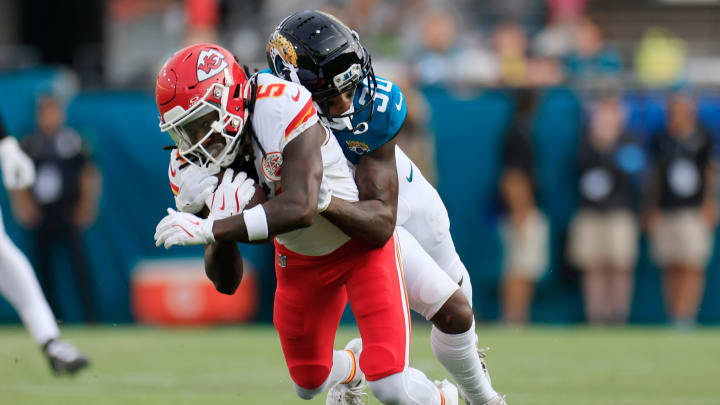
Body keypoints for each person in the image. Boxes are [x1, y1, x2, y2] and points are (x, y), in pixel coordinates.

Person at [152, 43, 459, 405]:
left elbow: (301, 206)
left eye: (200, 124)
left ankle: (446, 399)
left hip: (357, 243)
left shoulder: (279, 104)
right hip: (299, 258)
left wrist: (212, 228)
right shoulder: (192, 168)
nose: (194, 144)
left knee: (391, 386)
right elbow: (227, 282)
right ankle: (352, 366)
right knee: (308, 384)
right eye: (182, 131)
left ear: (229, 99)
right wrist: (219, 230)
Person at [266, 11, 506, 405]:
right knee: (308, 378)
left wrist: (319, 198)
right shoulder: (269, 117)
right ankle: (359, 368)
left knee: (458, 311)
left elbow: (380, 217)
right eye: (329, 94)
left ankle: (484, 397)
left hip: (397, 205)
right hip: (346, 231)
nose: (345, 102)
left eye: (350, 85)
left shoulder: (374, 108)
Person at [0, 111, 89, 374]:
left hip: (61, 213)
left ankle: (50, 341)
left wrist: (5, 144)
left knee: (3, 254)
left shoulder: (71, 140)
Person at [13, 95, 101, 323]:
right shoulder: (29, 142)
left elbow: (88, 173)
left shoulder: (73, 141)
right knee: (43, 269)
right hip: (42, 212)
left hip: (67, 210)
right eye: (45, 112)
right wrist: (23, 206)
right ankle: (49, 319)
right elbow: (17, 178)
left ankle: (91, 317)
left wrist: (86, 206)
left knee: (79, 268)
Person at [568, 95, 642, 325]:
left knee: (620, 265)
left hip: (619, 212)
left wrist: (611, 144)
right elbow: (578, 167)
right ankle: (596, 315)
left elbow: (631, 170)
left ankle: (619, 313)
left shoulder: (628, 140)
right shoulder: (585, 141)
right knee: (594, 265)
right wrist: (598, 141)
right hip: (591, 212)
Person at [646, 93, 716, 327]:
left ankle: (686, 315)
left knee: (692, 264)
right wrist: (652, 208)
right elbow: (653, 176)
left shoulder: (704, 136)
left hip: (693, 211)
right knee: (671, 264)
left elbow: (710, 172)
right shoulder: (660, 138)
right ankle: (673, 313)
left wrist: (710, 203)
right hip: (667, 210)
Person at [499, 89, 549, 325]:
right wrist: (521, 211)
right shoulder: (517, 133)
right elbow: (512, 176)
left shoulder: (520, 131)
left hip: (524, 208)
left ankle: (519, 316)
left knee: (525, 268)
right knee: (518, 267)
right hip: (521, 210)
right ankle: (514, 317)